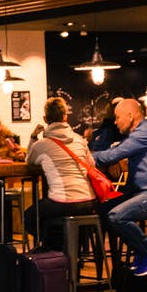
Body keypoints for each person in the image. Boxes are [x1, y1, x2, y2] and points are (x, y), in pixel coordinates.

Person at [91, 97, 147, 278]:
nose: (115, 122)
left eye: (117, 117)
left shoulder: (145, 132)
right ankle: (139, 254)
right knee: (104, 210)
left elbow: (114, 154)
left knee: (117, 216)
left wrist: (86, 157)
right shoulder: (138, 134)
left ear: (130, 116)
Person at [26, 97, 99, 253]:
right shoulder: (80, 140)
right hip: (88, 202)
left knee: (31, 216)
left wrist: (33, 137)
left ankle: (53, 251)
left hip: (63, 201)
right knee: (55, 213)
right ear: (65, 117)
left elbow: (30, 160)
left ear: (45, 119)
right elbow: (91, 165)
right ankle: (72, 254)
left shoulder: (41, 145)